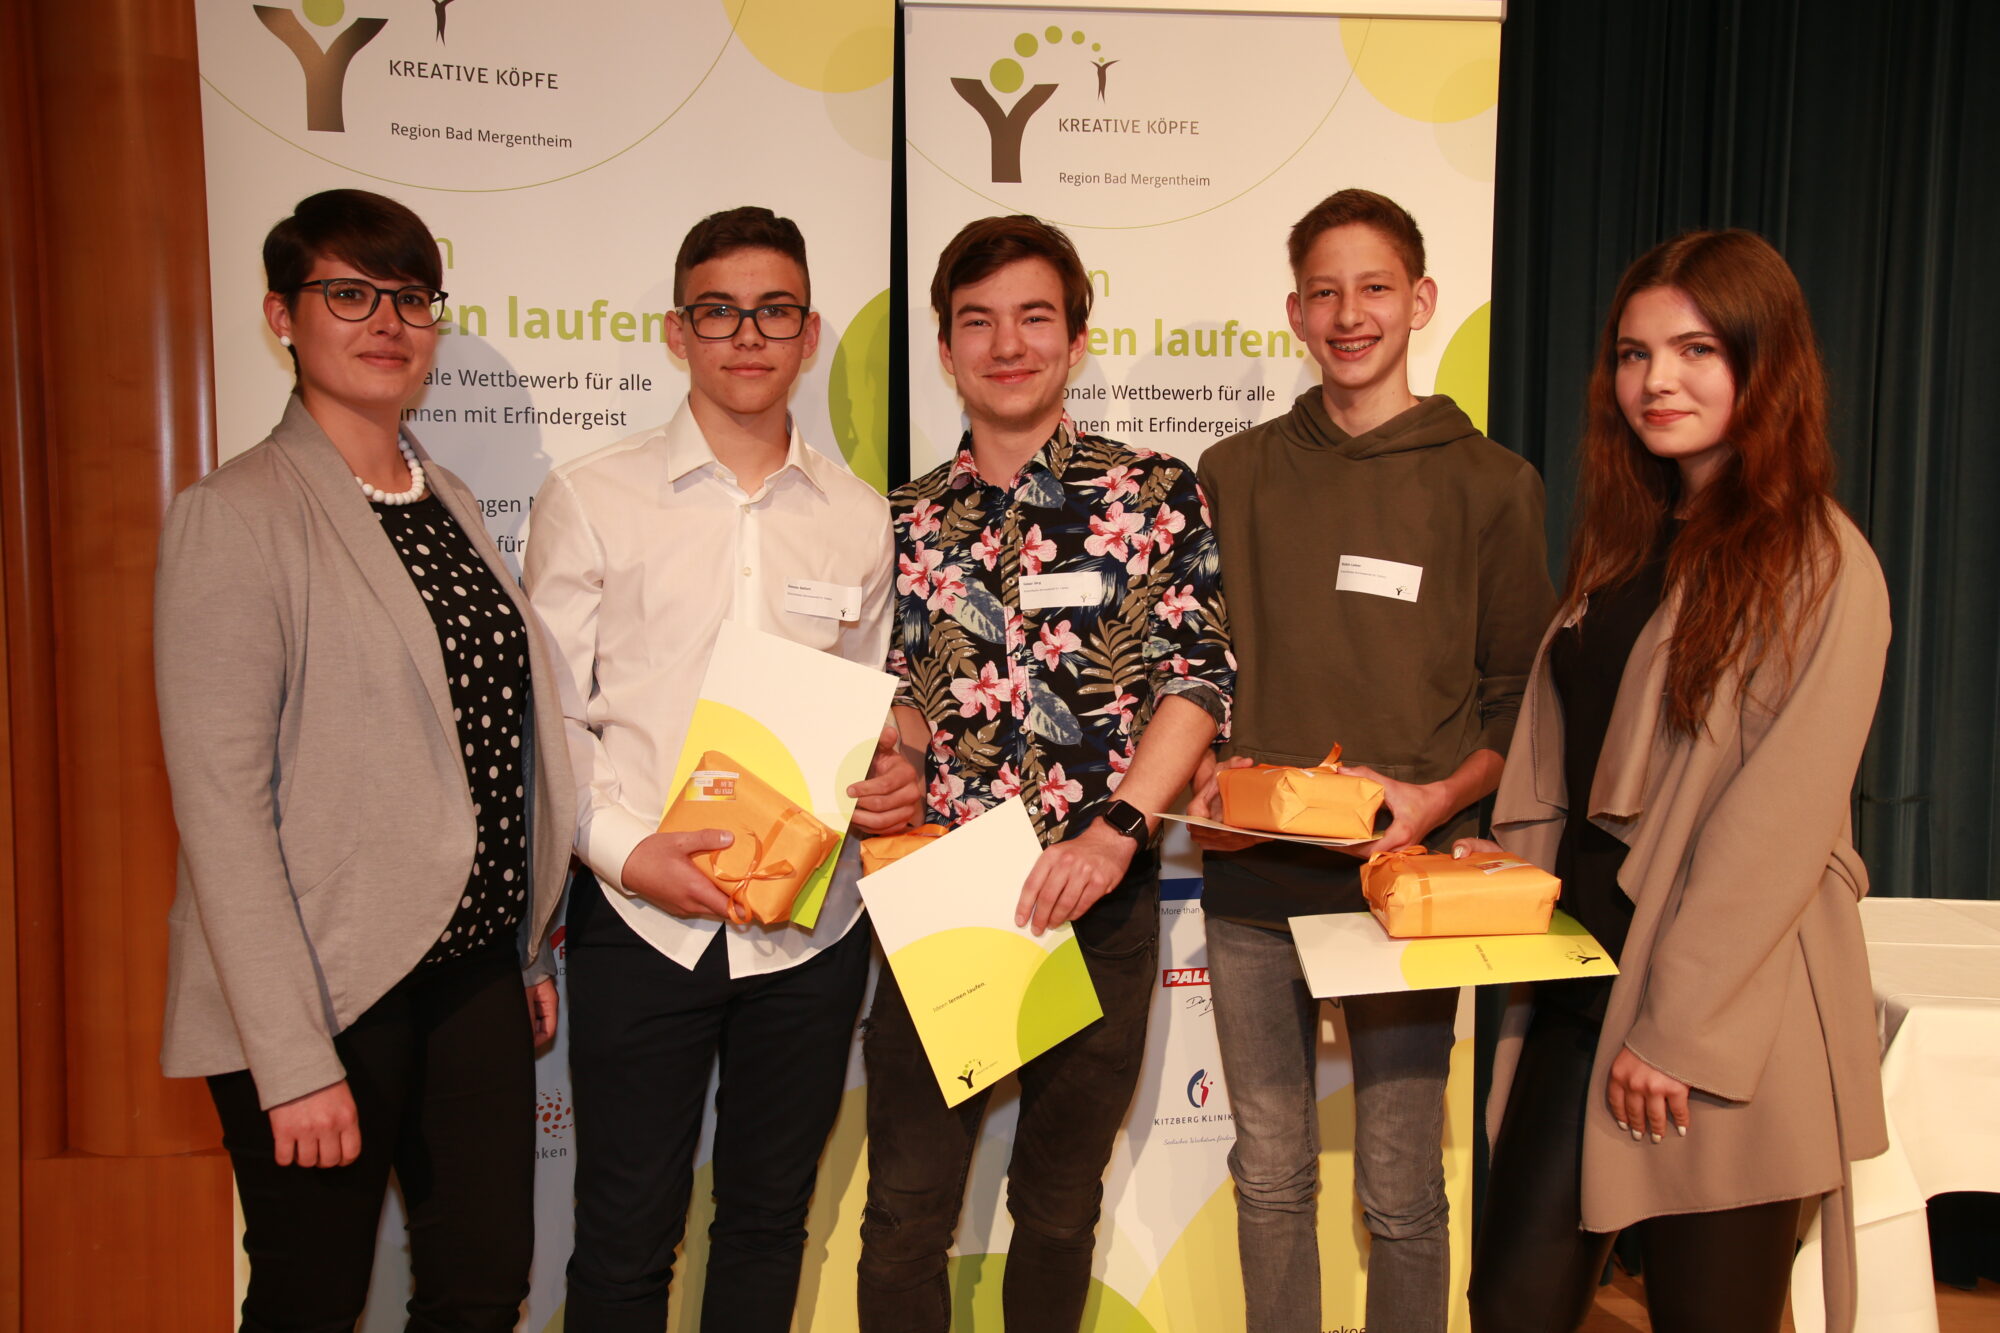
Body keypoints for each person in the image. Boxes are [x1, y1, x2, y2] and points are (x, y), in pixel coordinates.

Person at [154, 188, 580, 1331]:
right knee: (312, 1299)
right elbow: (222, 811)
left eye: (410, 297)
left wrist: (526, 951)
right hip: (326, 987)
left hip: (473, 975)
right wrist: (290, 1057)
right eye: (349, 294)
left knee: (482, 1288)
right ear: (281, 317)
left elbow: (493, 749)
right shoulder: (234, 514)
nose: (387, 321)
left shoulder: (447, 499)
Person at [1463, 230, 1890, 1333]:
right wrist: (1504, 873)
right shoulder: (1631, 541)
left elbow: (1775, 823)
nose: (1656, 380)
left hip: (1718, 1008)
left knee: (1711, 1315)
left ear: (1765, 362)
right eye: (1633, 353)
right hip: (1584, 976)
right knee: (1510, 1300)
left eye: (1695, 349)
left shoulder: (1819, 563)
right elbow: (1572, 763)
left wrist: (1677, 1029)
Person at [522, 205, 921, 1333]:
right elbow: (552, 719)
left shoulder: (857, 518)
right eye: (719, 311)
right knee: (624, 1234)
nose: (748, 335)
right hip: (639, 919)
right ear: (676, 331)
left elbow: (872, 704)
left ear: (808, 333)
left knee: (767, 1223)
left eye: (774, 311)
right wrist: (623, 852)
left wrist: (892, 770)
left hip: (809, 927)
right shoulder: (591, 497)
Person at [855, 214, 1232, 1333]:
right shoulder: (903, 519)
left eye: (1033, 317)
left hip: (1098, 895)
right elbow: (903, 695)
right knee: (904, 1214)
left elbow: (1198, 679)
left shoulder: (1151, 492)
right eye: (978, 322)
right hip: (944, 901)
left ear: (1074, 336)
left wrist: (1116, 831)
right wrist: (894, 759)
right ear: (945, 348)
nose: (1007, 344)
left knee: (1059, 1211)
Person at [1187, 188, 1554, 1333]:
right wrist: (1197, 762)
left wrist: (1434, 799)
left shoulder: (1490, 484)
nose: (1349, 314)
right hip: (1251, 881)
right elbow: (1190, 671)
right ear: (1294, 312)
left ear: (1421, 300)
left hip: (1405, 887)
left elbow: (1519, 696)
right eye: (1324, 292)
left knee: (1399, 1186)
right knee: (1268, 1173)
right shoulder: (1231, 473)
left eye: (1374, 288)